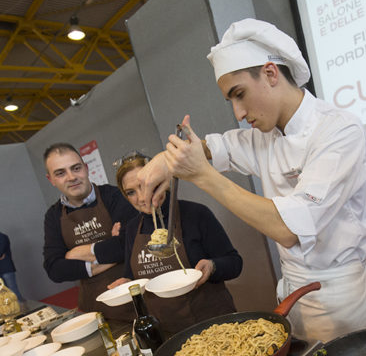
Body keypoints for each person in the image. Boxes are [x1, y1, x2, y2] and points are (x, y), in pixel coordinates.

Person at [136, 19, 366, 342]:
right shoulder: (264, 137)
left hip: (338, 300)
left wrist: (202, 175)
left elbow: (289, 229)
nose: (239, 113)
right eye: (231, 101)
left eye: (240, 95)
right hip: (292, 291)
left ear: (270, 73)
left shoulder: (338, 131)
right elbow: (214, 145)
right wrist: (163, 164)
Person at [108, 153, 242, 335]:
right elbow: (133, 277)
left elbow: (235, 263)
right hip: (166, 332)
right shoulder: (132, 229)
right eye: (131, 192)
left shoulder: (196, 214)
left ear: (161, 180)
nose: (141, 197)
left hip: (214, 325)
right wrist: (126, 284)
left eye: (144, 186)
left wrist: (212, 266)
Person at [43, 143, 138, 320]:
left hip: (131, 295)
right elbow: (54, 268)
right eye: (60, 173)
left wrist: (75, 254)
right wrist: (111, 252)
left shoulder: (115, 196)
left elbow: (131, 242)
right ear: (51, 180)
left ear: (86, 169)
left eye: (76, 168)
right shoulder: (53, 216)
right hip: (93, 308)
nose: (71, 177)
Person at [0, 231, 24, 302]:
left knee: (13, 291)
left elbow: (0, 251)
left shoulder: (2, 237)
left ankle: (23, 309)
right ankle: (13, 311)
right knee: (4, 294)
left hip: (7, 270)